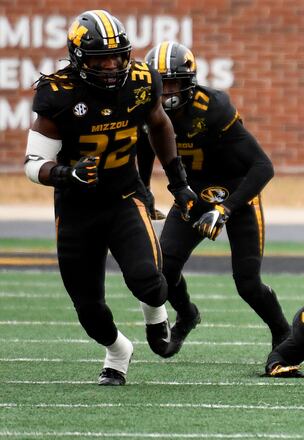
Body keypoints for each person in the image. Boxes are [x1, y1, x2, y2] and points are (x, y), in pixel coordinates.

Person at [23, 10, 197, 385]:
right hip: (76, 210)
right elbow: (33, 163)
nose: (111, 65)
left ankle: (156, 314)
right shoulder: (57, 93)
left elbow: (159, 124)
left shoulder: (140, 81)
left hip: (123, 196)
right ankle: (118, 351)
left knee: (149, 282)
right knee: (89, 311)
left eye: (117, 55)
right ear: (78, 57)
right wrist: (65, 173)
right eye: (100, 57)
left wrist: (178, 183)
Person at [136, 41, 291, 356]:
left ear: (189, 81)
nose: (166, 93)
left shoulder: (213, 108)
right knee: (163, 270)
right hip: (191, 195)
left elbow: (263, 166)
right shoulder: (143, 107)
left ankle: (283, 335)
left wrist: (227, 208)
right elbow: (143, 147)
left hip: (236, 194)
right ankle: (187, 313)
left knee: (247, 283)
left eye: (173, 83)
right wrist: (144, 190)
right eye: (160, 83)